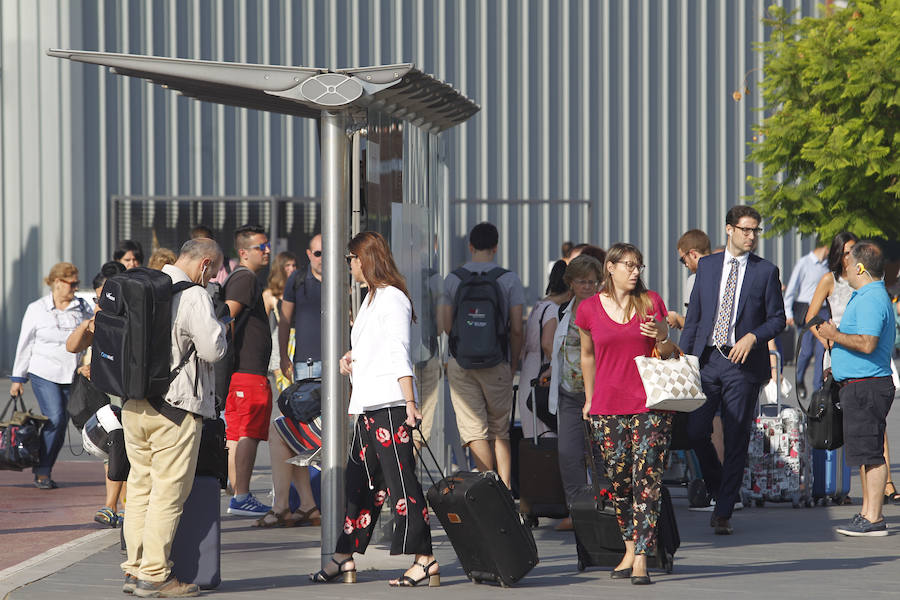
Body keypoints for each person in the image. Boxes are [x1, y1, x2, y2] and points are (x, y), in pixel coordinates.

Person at [310, 231, 438, 587]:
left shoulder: (391, 298)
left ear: (364, 259)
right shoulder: (372, 298)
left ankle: (424, 558)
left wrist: (411, 403)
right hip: (369, 405)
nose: (349, 265)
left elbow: (399, 350)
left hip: (390, 406)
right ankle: (343, 555)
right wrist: (353, 358)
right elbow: (377, 348)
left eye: (351, 258)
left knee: (401, 484)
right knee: (361, 484)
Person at [118, 238, 227, 596]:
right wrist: (221, 326)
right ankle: (155, 575)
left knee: (138, 490)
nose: (211, 279)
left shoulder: (142, 284)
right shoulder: (194, 295)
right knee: (167, 494)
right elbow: (213, 350)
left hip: (134, 404)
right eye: (212, 273)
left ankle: (134, 569)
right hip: (175, 410)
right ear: (205, 264)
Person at [681, 205, 786, 535]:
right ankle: (718, 485)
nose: (751, 236)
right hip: (709, 360)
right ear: (729, 230)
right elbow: (695, 316)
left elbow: (778, 319)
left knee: (736, 433)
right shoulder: (708, 267)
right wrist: (684, 360)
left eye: (756, 230)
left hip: (743, 365)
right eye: (745, 229)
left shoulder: (765, 271)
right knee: (695, 430)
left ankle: (724, 509)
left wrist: (753, 337)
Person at [577, 243, 676, 585]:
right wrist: (590, 399)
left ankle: (643, 558)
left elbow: (667, 352)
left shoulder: (650, 302)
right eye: (629, 266)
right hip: (607, 406)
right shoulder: (588, 309)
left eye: (639, 266)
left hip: (650, 405)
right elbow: (587, 356)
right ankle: (629, 548)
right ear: (611, 268)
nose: (636, 272)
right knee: (620, 484)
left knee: (646, 481)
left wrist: (663, 334)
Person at [817, 242, 896, 536]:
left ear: (860, 268)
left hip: (867, 385)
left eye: (847, 265)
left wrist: (833, 335)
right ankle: (867, 512)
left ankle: (873, 517)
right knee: (863, 451)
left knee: (871, 452)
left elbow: (866, 342)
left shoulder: (870, 298)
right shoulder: (868, 296)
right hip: (859, 383)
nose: (844, 270)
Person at [439, 222, 525, 487]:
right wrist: (511, 364)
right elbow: (517, 328)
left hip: (461, 363)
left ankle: (490, 491)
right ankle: (506, 489)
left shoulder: (453, 279)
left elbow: (443, 322)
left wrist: (464, 342)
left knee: (475, 430)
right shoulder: (508, 279)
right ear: (496, 247)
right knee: (499, 431)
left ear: (470, 246)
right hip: (497, 361)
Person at [10, 263, 92, 489]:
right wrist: (18, 378)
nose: (75, 288)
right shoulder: (37, 308)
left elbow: (91, 337)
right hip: (43, 371)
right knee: (55, 417)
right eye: (71, 283)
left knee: (61, 422)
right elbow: (25, 343)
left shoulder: (82, 308)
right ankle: (42, 471)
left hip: (71, 374)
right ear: (57, 282)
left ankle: (44, 466)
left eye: (77, 283)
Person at [66, 261, 128, 526]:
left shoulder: (130, 322)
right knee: (111, 447)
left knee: (121, 449)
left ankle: (120, 507)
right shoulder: (97, 320)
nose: (100, 303)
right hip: (103, 395)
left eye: (105, 298)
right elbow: (72, 347)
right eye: (97, 298)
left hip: (125, 392)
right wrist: (86, 325)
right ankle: (113, 506)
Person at [546, 255, 603, 532]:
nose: (588, 286)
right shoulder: (563, 311)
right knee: (568, 454)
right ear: (570, 283)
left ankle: (606, 510)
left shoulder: (604, 311)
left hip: (601, 394)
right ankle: (577, 510)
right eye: (582, 281)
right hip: (569, 392)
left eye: (593, 281)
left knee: (601, 454)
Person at [224, 224, 274, 517]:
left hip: (242, 372)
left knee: (238, 434)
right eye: (260, 247)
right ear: (244, 253)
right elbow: (225, 316)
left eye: (267, 246)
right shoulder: (245, 278)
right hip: (247, 372)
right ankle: (241, 496)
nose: (267, 251)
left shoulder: (242, 278)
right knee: (248, 433)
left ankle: (238, 493)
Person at [519, 259, 571, 441]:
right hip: (541, 373)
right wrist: (559, 367)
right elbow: (547, 343)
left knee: (532, 432)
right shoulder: (553, 310)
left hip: (529, 369)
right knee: (544, 433)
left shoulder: (539, 305)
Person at [783, 239, 830, 398]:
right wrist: (788, 312)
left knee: (820, 350)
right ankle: (799, 379)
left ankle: (818, 388)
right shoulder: (804, 263)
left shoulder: (827, 265)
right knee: (807, 350)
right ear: (826, 246)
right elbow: (791, 289)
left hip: (823, 311)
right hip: (807, 310)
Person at [279, 234, 323, 381]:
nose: (322, 258)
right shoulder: (297, 279)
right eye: (318, 254)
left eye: (327, 252)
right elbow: (284, 321)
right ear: (309, 254)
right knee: (307, 403)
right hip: (306, 363)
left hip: (340, 361)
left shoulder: (343, 280)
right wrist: (284, 357)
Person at [263, 251, 298, 392]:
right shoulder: (270, 294)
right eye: (287, 266)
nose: (292, 269)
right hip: (281, 339)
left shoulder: (301, 288)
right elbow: (262, 323)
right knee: (284, 388)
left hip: (300, 339)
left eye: (294, 265)